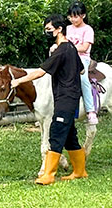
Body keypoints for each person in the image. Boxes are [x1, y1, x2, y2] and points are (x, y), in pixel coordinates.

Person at [11, 15, 89, 185]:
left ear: (59, 29)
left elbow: (40, 72)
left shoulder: (61, 50)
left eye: (49, 30)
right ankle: (80, 171)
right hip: (72, 96)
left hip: (64, 98)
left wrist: (18, 81)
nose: (47, 33)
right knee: (70, 136)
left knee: (56, 133)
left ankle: (48, 174)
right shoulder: (72, 49)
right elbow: (82, 71)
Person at [66, 0, 99, 125]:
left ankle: (91, 111)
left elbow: (84, 48)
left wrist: (69, 48)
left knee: (83, 78)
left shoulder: (88, 29)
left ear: (83, 16)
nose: (73, 19)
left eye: (76, 16)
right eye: (71, 17)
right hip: (67, 57)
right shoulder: (67, 28)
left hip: (81, 58)